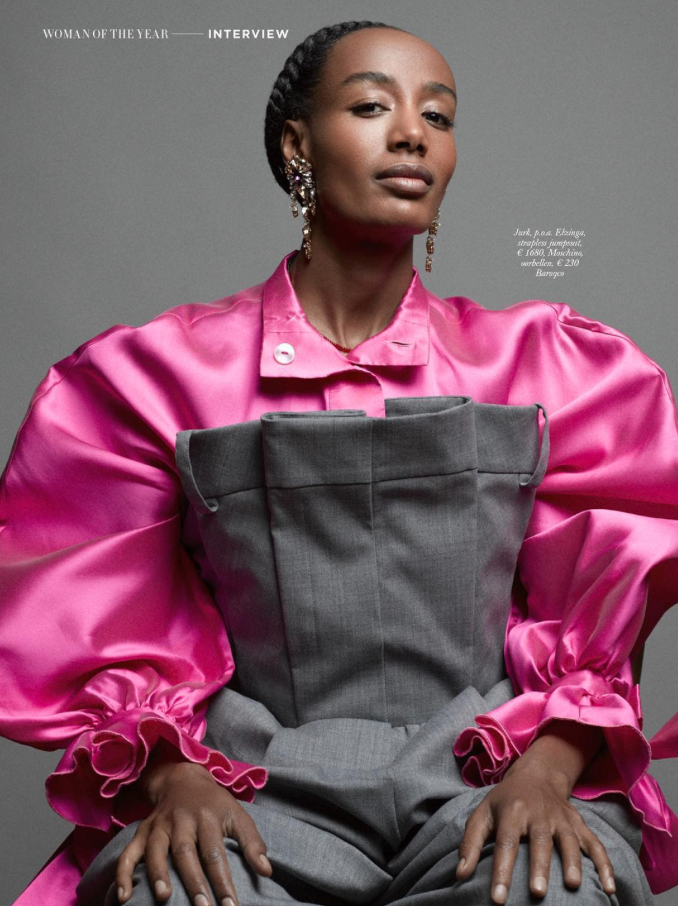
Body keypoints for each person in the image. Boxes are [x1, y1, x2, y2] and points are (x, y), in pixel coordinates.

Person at [1, 19, 677, 906]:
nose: (413, 135)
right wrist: (175, 782)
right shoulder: (147, 379)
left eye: (439, 117)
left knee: (553, 888)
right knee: (173, 892)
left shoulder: (552, 368)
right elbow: (106, 630)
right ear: (297, 145)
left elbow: (594, 629)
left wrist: (546, 775)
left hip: (488, 772)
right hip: (248, 787)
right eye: (371, 106)